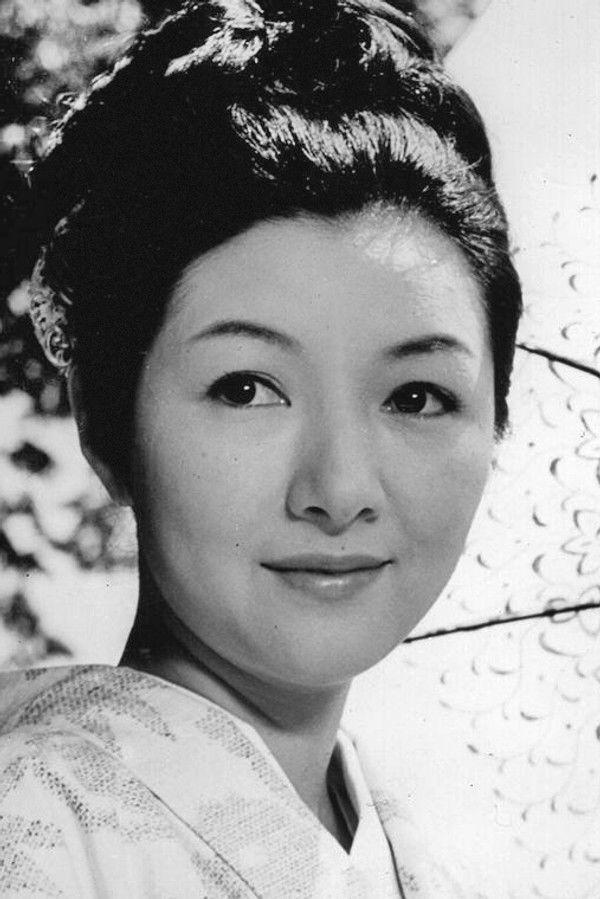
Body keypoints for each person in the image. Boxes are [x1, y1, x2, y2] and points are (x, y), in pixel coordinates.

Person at [0, 1, 522, 896]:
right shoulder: (32, 831)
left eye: (417, 396)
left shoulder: (433, 869)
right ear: (104, 421)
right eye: (245, 387)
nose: (340, 489)